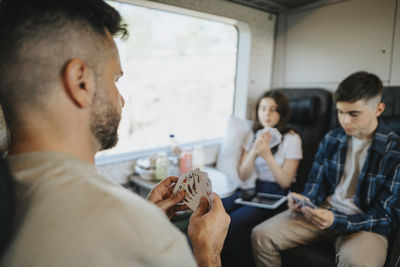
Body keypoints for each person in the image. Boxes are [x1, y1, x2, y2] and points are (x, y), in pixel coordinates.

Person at [0, 0, 230, 266]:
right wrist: (207, 253)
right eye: (114, 79)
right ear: (80, 82)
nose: (121, 100)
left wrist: (145, 214)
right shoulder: (146, 238)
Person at [251, 71, 400, 267]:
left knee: (358, 263)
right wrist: (305, 200)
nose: (345, 121)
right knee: (261, 235)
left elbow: (387, 217)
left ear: (378, 110)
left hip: (365, 225)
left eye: (353, 114)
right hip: (323, 211)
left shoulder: (395, 150)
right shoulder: (332, 138)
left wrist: (337, 220)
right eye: (340, 112)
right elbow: (315, 184)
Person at [221, 91, 302, 267]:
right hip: (252, 189)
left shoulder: (291, 138)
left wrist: (267, 155)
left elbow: (286, 182)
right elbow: (243, 174)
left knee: (234, 224)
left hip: (277, 194)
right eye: (263, 108)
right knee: (216, 209)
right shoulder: (253, 135)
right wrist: (254, 151)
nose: (267, 114)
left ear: (281, 113)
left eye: (273, 109)